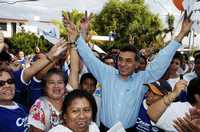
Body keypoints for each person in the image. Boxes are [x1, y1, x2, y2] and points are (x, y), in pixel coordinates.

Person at [65, 11, 193, 131]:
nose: (122, 64)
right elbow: (89, 57)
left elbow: (161, 61)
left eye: (128, 61)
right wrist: (77, 36)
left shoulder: (142, 79)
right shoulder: (106, 73)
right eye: (120, 59)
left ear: (137, 64)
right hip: (104, 129)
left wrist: (181, 34)